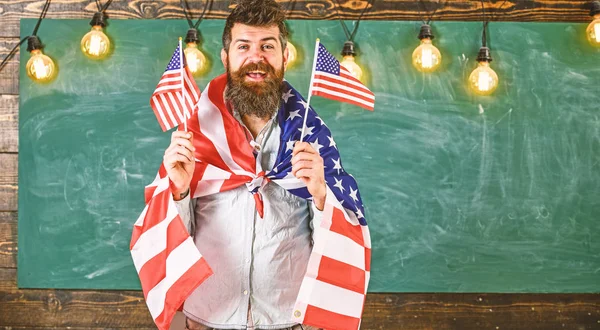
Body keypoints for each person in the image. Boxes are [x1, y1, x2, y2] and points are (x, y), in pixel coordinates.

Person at [163, 0, 359, 329]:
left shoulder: (311, 137)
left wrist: (322, 196)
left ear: (285, 57)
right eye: (244, 46)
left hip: (288, 319)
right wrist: (180, 192)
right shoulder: (195, 132)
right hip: (209, 318)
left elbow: (337, 240)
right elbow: (172, 239)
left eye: (267, 46)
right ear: (226, 58)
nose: (256, 58)